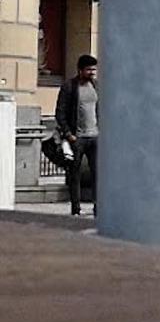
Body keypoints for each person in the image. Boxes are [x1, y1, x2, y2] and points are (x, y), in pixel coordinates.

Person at [55, 54, 99, 217]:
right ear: (80, 70)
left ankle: (97, 207)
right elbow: (60, 113)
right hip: (77, 137)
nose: (92, 72)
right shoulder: (69, 87)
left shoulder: (96, 86)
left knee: (97, 173)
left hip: (95, 136)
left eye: (94, 69)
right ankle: (76, 208)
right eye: (89, 69)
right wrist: (68, 134)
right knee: (75, 173)